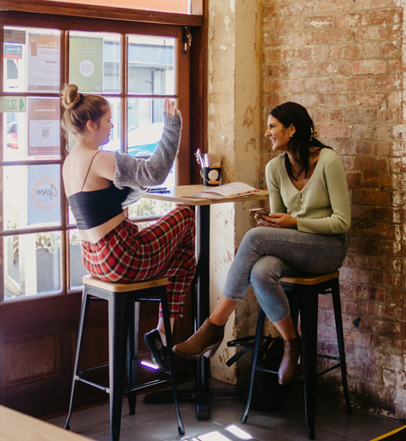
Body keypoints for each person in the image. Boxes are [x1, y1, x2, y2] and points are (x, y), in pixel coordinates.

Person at [173, 102, 350, 385]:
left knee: (255, 239)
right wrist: (272, 223)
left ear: (291, 129)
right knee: (260, 272)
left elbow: (342, 222)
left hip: (327, 249)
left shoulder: (329, 161)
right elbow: (283, 217)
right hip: (296, 246)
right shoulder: (275, 168)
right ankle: (292, 343)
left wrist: (293, 224)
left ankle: (213, 326)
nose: (267, 133)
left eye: (272, 126)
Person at [60, 84, 195, 372]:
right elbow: (154, 174)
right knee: (185, 217)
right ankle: (163, 334)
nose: (112, 127)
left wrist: (135, 183)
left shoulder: (71, 162)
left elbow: (125, 195)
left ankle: (163, 336)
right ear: (91, 124)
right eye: (108, 121)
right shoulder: (100, 158)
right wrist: (172, 127)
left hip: (94, 258)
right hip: (121, 256)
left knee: (182, 258)